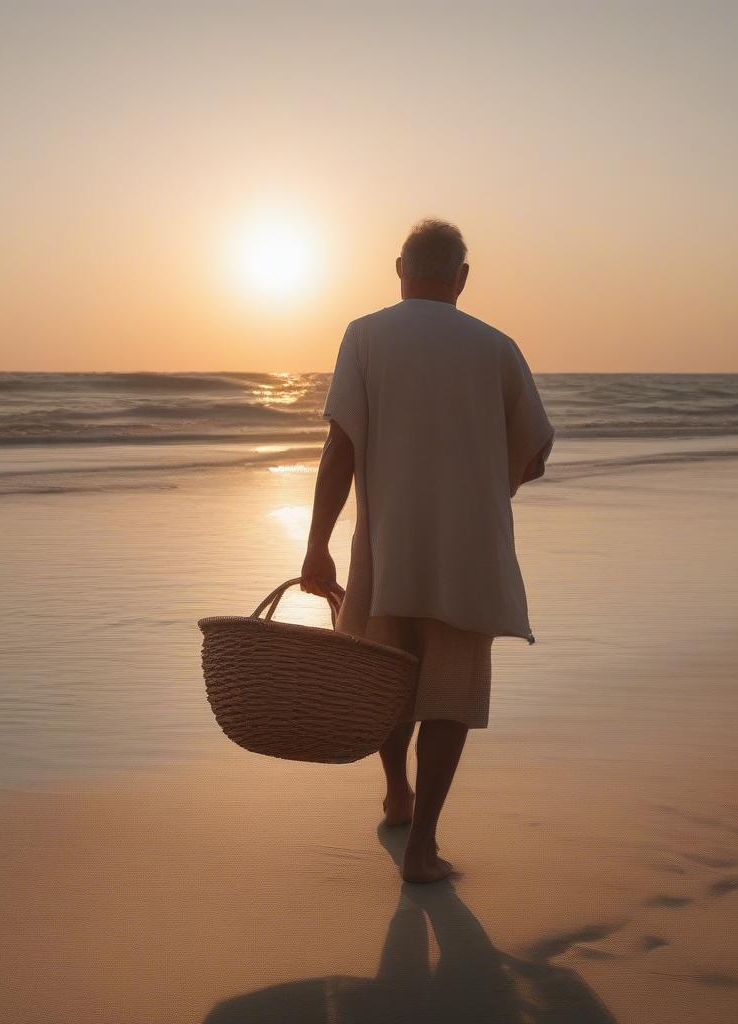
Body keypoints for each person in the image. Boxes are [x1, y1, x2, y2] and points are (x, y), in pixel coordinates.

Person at [301, 219, 554, 883]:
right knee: (449, 693)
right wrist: (485, 494)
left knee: (388, 679)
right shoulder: (495, 347)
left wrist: (317, 545)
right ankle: (424, 847)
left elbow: (340, 449)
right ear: (461, 279)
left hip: (386, 548)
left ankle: (395, 794)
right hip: (466, 554)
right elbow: (536, 448)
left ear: (398, 268)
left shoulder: (364, 335)